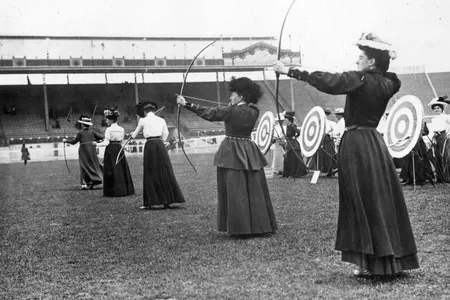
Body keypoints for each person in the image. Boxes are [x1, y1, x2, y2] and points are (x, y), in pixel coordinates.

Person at [274, 32, 419, 277]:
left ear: (371, 62)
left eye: (361, 57)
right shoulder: (388, 82)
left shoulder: (360, 79)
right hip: (374, 143)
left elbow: (329, 81)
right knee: (379, 198)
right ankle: (389, 259)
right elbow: (388, 77)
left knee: (360, 199)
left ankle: (371, 263)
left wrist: (289, 70)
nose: (357, 62)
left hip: (356, 143)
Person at [177, 77, 277, 236]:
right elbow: (225, 111)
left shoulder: (230, 110)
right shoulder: (254, 110)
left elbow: (210, 114)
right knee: (253, 187)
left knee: (235, 189)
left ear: (241, 96)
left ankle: (240, 228)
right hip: (249, 149)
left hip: (232, 150)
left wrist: (186, 104)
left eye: (233, 95)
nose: (230, 97)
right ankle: (259, 225)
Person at [131, 99, 185, 209]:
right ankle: (168, 201)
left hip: (150, 145)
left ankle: (150, 202)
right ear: (153, 111)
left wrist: (136, 133)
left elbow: (134, 136)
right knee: (164, 170)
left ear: (145, 112)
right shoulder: (161, 120)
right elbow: (165, 133)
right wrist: (160, 139)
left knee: (150, 171)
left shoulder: (142, 120)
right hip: (160, 145)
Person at [63, 116, 104, 190]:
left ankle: (84, 184)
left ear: (82, 124)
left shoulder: (80, 133)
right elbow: (102, 137)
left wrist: (66, 140)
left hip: (83, 151)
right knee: (92, 165)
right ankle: (92, 183)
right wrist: (94, 139)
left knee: (83, 166)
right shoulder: (92, 132)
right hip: (92, 150)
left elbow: (73, 142)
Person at [102, 107, 135, 197]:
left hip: (111, 149)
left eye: (107, 119)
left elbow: (106, 142)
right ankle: (124, 189)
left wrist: (96, 144)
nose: (106, 121)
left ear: (111, 120)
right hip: (119, 148)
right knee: (120, 168)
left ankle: (112, 191)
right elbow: (121, 140)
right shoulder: (121, 129)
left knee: (111, 169)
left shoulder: (108, 129)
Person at [399, 121, 434, 185]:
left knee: (419, 159)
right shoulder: (407, 122)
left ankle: (420, 178)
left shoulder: (421, 122)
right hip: (409, 142)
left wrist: (422, 127)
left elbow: (426, 132)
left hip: (419, 143)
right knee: (408, 159)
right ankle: (408, 178)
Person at [426, 96, 450, 183]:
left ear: (441, 108)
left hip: (444, 137)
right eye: (435, 108)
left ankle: (447, 177)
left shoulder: (446, 117)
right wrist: (430, 138)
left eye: (438, 108)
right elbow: (432, 130)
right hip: (436, 138)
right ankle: (440, 177)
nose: (437, 110)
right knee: (437, 156)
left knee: (445, 156)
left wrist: (448, 133)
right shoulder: (434, 119)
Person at [282, 111, 308, 178]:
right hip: (289, 144)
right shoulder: (287, 127)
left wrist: (294, 137)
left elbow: (299, 132)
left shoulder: (293, 126)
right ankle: (288, 173)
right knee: (288, 158)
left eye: (286, 120)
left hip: (293, 144)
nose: (285, 121)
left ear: (289, 120)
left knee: (294, 159)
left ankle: (296, 173)